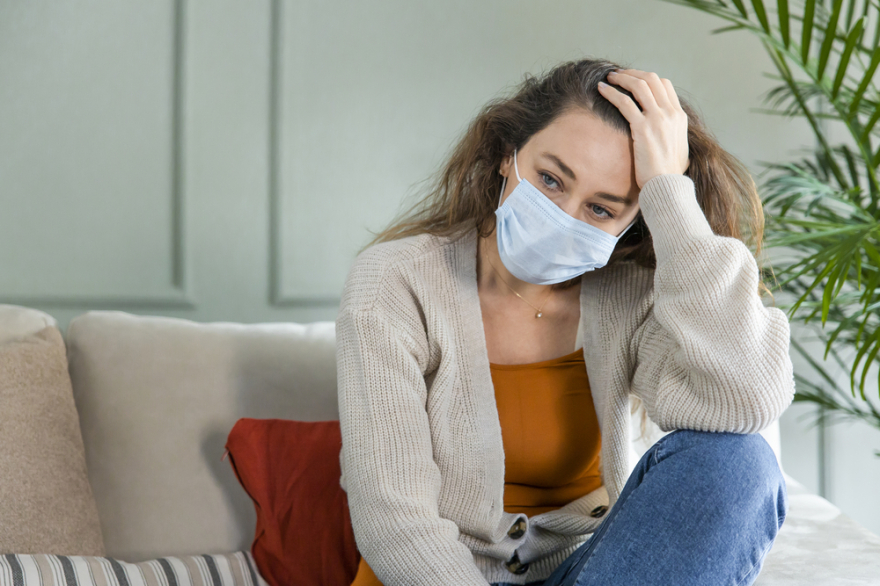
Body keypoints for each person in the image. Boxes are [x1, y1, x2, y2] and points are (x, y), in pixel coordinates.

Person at [335, 57, 794, 586]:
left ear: (635, 220)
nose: (563, 215)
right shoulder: (396, 282)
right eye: (551, 179)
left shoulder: (631, 295)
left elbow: (746, 401)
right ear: (509, 156)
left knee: (739, 462)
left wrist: (670, 193)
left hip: (588, 575)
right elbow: (395, 521)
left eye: (602, 209)